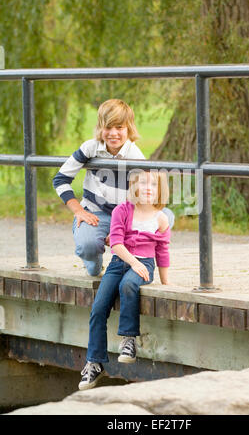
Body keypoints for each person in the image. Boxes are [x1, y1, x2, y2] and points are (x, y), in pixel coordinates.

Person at [53, 99, 174, 277]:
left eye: (119, 127)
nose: (113, 133)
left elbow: (143, 196)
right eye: (108, 127)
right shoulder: (90, 148)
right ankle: (93, 264)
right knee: (88, 247)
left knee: (166, 216)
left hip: (125, 214)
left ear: (129, 129)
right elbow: (61, 179)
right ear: (100, 128)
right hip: (96, 213)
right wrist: (78, 211)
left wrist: (123, 228)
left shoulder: (135, 157)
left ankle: (134, 253)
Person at [78, 170, 171, 391]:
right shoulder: (123, 211)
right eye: (143, 183)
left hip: (145, 264)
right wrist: (133, 263)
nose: (148, 188)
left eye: (153, 185)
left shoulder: (161, 217)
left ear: (160, 190)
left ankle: (128, 339)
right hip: (119, 262)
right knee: (99, 308)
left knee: (128, 285)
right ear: (135, 187)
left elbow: (163, 250)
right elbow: (117, 244)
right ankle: (94, 361)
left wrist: (166, 283)